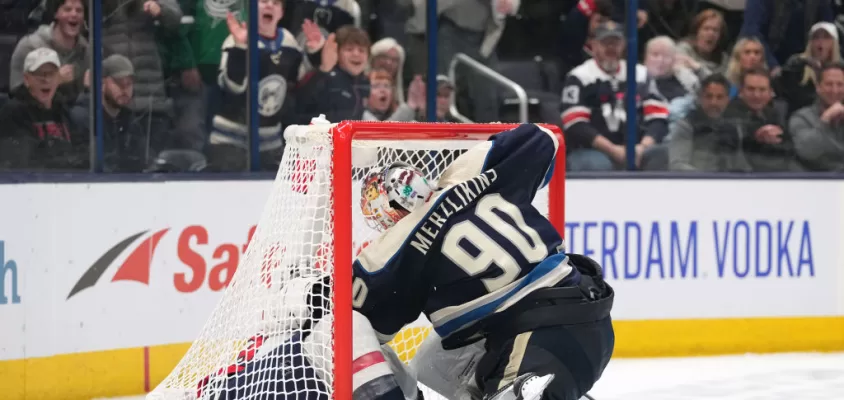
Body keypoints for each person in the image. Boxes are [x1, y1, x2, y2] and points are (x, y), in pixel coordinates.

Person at [354, 123, 615, 400]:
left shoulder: (394, 247)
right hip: (592, 314)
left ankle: (522, 392)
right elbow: (543, 137)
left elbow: (353, 320)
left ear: (385, 213)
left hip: (534, 338)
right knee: (432, 362)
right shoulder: (472, 176)